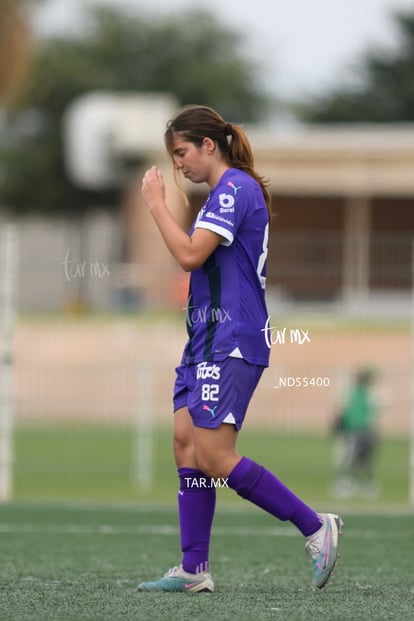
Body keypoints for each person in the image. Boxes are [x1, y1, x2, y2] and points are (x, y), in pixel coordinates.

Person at [137, 104, 343, 593]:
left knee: (214, 456)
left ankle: (316, 528)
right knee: (186, 447)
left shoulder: (235, 188)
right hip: (204, 339)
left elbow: (190, 255)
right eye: (172, 156)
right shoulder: (218, 195)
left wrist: (155, 204)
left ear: (210, 145)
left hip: (232, 339)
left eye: (182, 152)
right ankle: (193, 569)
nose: (178, 164)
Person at [333, 367, 379, 498]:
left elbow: (344, 410)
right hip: (360, 430)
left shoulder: (356, 393)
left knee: (354, 458)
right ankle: (353, 483)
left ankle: (352, 483)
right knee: (359, 459)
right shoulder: (364, 393)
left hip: (357, 430)